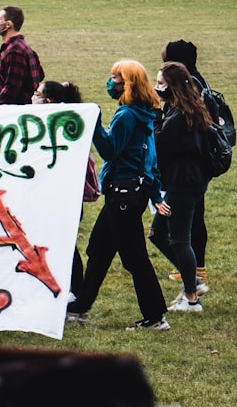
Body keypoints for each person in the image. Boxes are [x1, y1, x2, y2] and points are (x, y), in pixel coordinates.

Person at [66, 60, 172, 331]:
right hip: (132, 192)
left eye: (115, 78)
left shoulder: (126, 116)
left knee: (134, 257)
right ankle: (80, 308)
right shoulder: (144, 113)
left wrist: (95, 125)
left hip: (122, 195)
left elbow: (110, 150)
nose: (110, 81)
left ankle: (155, 316)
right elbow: (151, 159)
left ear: (129, 84)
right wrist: (154, 193)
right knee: (99, 249)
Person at [149, 61, 213, 312]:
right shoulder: (187, 109)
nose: (157, 88)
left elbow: (159, 144)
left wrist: (155, 116)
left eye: (161, 84)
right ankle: (191, 281)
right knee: (158, 234)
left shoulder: (178, 116)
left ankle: (191, 297)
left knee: (177, 240)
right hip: (189, 183)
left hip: (181, 186)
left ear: (173, 86)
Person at [31, 80, 98, 304]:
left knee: (65, 246)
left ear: (48, 102)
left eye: (38, 94)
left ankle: (74, 290)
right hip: (55, 198)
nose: (34, 96)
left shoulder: (62, 131)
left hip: (63, 199)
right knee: (58, 245)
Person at [161, 39, 210, 286]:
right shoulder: (192, 89)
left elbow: (166, 142)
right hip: (192, 174)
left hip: (185, 176)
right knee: (170, 229)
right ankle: (193, 272)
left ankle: (193, 278)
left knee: (177, 230)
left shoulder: (182, 109)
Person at [0, 6, 44, 105]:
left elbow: (11, 88)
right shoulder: (24, 46)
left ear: (8, 24)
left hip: (16, 110)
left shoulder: (14, 51)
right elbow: (39, 74)